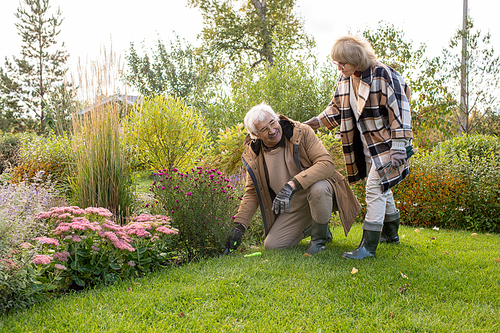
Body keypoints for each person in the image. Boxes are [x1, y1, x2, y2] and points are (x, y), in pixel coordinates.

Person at [304, 34, 413, 260]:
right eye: (336, 63)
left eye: (342, 63)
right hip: (367, 145)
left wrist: (399, 146)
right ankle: (391, 234)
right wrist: (313, 123)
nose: (339, 68)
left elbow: (399, 110)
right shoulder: (345, 80)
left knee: (374, 188)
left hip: (389, 145)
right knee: (384, 185)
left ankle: (368, 247)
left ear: (356, 58)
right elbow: (336, 109)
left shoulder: (382, 73)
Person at [224, 102, 361, 256]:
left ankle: (319, 240)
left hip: (319, 193)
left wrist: (292, 185)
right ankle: (314, 225)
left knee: (319, 188)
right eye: (264, 129)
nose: (272, 130)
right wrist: (239, 227)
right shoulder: (254, 153)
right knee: (273, 245)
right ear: (256, 135)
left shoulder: (301, 132)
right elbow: (252, 193)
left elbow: (326, 164)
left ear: (276, 117)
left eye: (272, 122)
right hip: (295, 207)